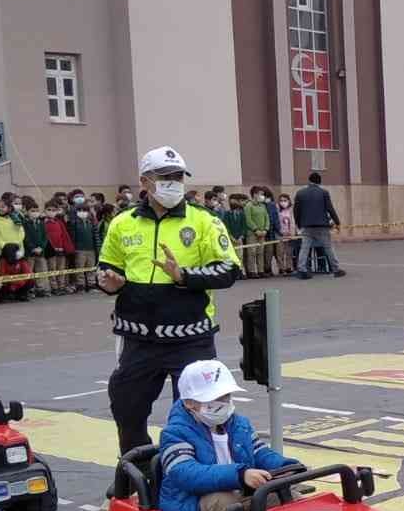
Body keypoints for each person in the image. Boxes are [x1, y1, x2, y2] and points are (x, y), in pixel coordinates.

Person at [98, 147, 243, 459]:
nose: (173, 183)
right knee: (127, 409)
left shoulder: (205, 221)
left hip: (190, 340)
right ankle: (138, 472)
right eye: (164, 177)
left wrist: (183, 276)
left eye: (178, 177)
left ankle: (196, 474)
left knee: (200, 416)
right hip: (137, 339)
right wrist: (109, 283)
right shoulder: (122, 223)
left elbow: (230, 270)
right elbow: (108, 267)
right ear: (144, 181)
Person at [156, 360, 298, 511]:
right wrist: (240, 475)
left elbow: (260, 453)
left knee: (286, 495)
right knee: (223, 502)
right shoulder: (175, 433)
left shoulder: (239, 424)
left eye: (226, 396)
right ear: (189, 403)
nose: (223, 402)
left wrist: (287, 467)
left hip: (239, 501)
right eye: (215, 398)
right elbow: (185, 474)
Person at [293, 172, 344, 278]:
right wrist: (337, 222)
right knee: (328, 247)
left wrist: (298, 223)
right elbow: (330, 208)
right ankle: (336, 269)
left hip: (306, 226)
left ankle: (302, 269)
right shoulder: (324, 192)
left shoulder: (300, 193)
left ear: (309, 181)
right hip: (322, 225)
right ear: (320, 181)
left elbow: (296, 210)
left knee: (304, 248)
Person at [20, 197, 52, 298]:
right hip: (30, 252)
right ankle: (30, 289)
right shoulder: (24, 223)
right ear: (27, 212)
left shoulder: (41, 223)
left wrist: (41, 247)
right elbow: (25, 237)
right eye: (32, 211)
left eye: (37, 211)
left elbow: (45, 237)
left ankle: (41, 288)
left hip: (41, 252)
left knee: (41, 270)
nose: (35, 213)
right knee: (29, 271)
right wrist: (32, 248)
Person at [70, 194, 102, 292]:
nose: (82, 212)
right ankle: (81, 285)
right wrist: (74, 248)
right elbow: (72, 237)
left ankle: (91, 284)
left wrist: (98, 247)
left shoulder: (91, 223)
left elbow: (96, 236)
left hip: (91, 249)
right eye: (80, 211)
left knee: (91, 268)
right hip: (79, 249)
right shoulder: (74, 223)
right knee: (80, 268)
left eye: (85, 210)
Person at [44, 202, 74, 294]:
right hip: (51, 251)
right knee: (52, 270)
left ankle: (61, 286)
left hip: (61, 250)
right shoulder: (43, 223)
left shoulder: (59, 222)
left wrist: (66, 248)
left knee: (61, 270)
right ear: (45, 210)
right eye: (49, 210)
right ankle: (54, 288)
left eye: (54, 210)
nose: (51, 212)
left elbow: (64, 236)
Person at [242, 187, 271, 278]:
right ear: (254, 194)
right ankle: (251, 271)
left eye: (263, 194)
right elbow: (248, 219)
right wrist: (255, 229)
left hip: (262, 232)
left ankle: (260, 270)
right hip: (252, 233)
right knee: (252, 252)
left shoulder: (262, 206)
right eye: (260, 194)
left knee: (260, 252)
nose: (262, 196)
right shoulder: (248, 206)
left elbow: (267, 218)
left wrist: (266, 229)